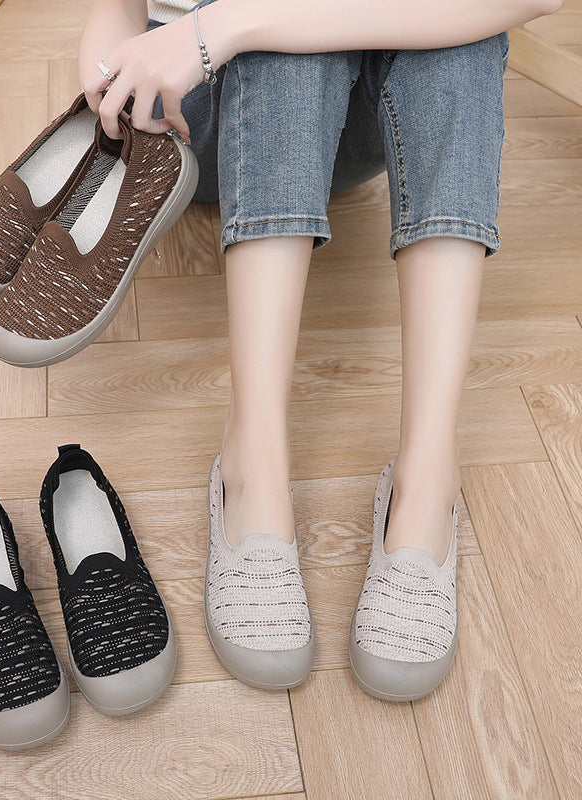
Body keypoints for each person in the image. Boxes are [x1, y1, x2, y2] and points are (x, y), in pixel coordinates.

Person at [77, 0, 561, 698]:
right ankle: (253, 464)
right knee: (291, 31)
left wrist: (228, 25)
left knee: (462, 32)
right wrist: (113, 101)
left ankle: (427, 481)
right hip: (199, 114)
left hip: (330, 97)